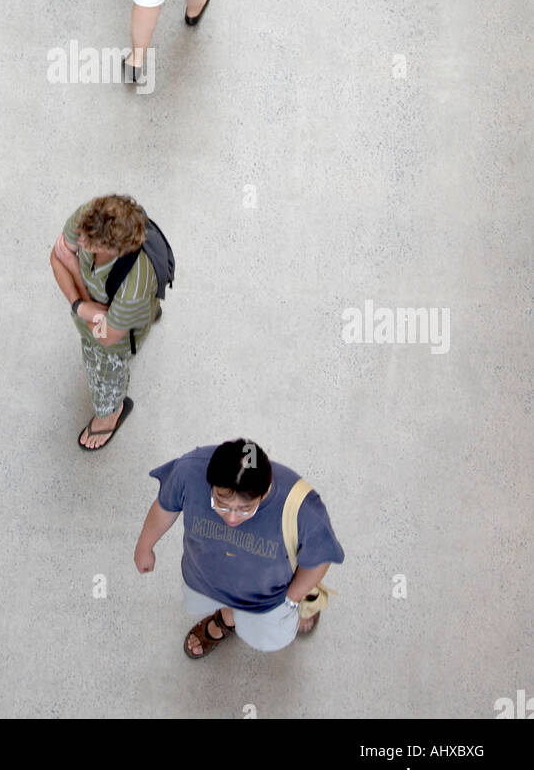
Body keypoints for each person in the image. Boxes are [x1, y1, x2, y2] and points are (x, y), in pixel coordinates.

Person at [134, 438, 345, 657]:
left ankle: (302, 602)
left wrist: (292, 597)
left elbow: (319, 558)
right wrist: (144, 547)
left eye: (245, 509)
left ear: (264, 492)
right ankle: (227, 618)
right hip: (204, 580)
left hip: (267, 599)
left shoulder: (303, 509)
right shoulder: (188, 471)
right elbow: (165, 505)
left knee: (268, 636)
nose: (232, 518)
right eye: (220, 503)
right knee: (218, 604)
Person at [50, 195, 161, 451]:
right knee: (123, 314)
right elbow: (57, 257)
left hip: (114, 340)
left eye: (90, 243)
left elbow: (105, 338)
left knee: (103, 377)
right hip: (114, 314)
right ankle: (143, 314)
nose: (80, 241)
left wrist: (78, 293)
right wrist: (87, 308)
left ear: (117, 250)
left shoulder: (133, 287)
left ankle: (110, 413)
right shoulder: (91, 217)